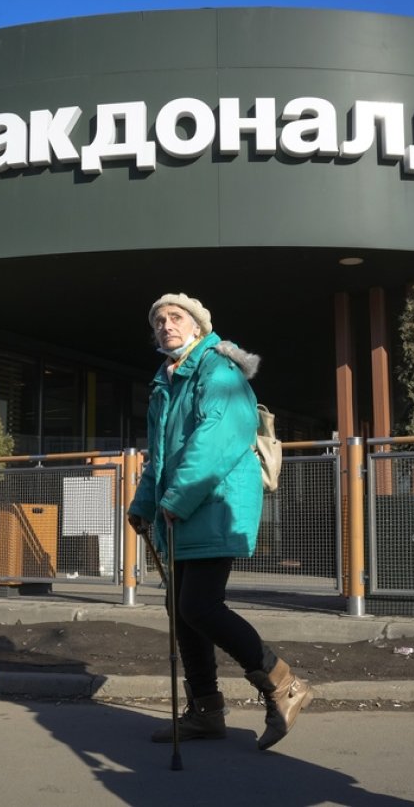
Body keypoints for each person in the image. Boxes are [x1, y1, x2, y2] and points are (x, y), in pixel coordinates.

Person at [127, 292, 312, 751]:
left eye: (176, 317)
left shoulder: (218, 368)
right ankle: (206, 711)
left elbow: (217, 439)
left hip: (216, 503)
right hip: (185, 506)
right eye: (159, 321)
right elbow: (161, 458)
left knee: (199, 606)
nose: (166, 325)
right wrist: (143, 504)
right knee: (183, 611)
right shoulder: (166, 382)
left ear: (197, 326)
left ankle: (283, 683)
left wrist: (176, 497)